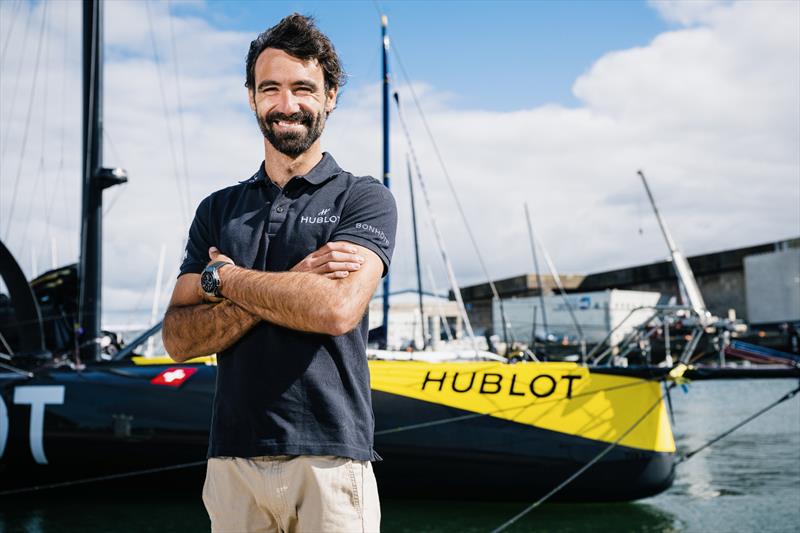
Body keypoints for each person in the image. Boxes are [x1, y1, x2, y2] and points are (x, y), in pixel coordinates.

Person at [162, 13, 397, 533]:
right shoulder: (217, 210)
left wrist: (223, 281)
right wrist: (294, 282)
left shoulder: (364, 198)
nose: (286, 105)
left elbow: (335, 309)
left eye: (303, 89)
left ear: (331, 95)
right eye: (270, 88)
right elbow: (178, 339)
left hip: (331, 459)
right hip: (232, 462)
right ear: (251, 97)